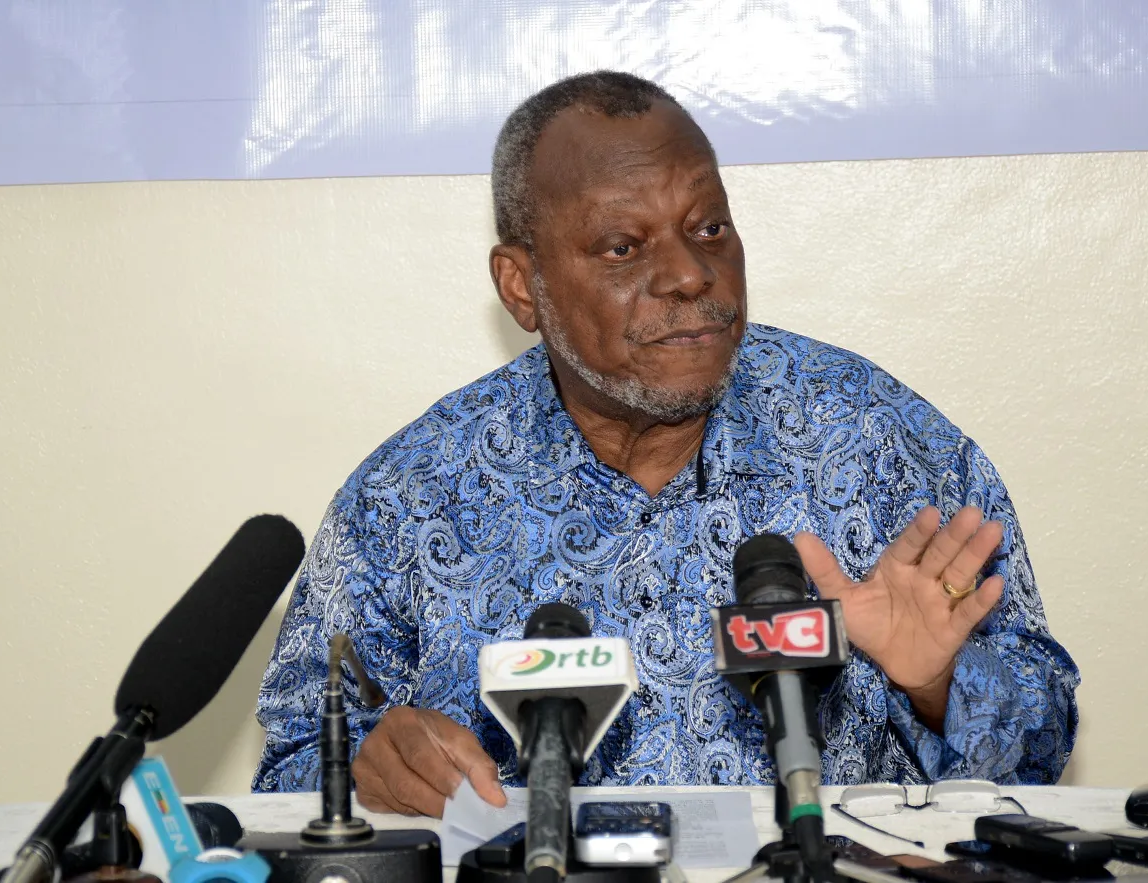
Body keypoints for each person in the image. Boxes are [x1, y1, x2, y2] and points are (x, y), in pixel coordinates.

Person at [252, 71, 1080, 817]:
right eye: (624, 246)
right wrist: (367, 770)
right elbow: (290, 773)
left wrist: (935, 684)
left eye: (709, 226)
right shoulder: (407, 498)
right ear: (522, 286)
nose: (690, 274)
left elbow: (1044, 751)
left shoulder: (885, 445)